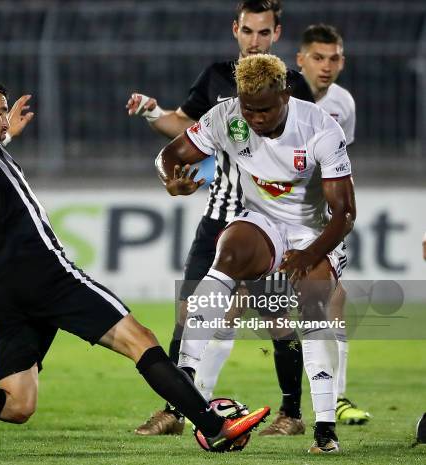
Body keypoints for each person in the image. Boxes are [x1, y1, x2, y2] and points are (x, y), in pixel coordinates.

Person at [0, 6, 270, 452]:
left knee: (17, 404)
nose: (6, 117)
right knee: (138, 339)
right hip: (42, 269)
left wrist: (5, 137)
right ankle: (213, 426)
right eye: (0, 110)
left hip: (3, 283)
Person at [127, 0, 312, 437]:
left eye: (264, 33)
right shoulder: (215, 78)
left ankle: (292, 414)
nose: (255, 41)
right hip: (217, 216)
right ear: (236, 29)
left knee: (277, 321)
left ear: (277, 35)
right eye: (248, 31)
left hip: (269, 223)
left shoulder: (294, 88)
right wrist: (159, 129)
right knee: (190, 310)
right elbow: (186, 130)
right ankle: (174, 409)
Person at [156, 53, 355, 453]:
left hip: (315, 231)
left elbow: (345, 213)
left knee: (313, 304)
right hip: (263, 221)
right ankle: (186, 377)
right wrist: (171, 181)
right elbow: (169, 156)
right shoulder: (226, 116)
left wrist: (308, 255)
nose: (256, 118)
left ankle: (325, 427)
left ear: (284, 95)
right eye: (249, 109)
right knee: (227, 254)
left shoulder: (320, 128)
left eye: (265, 109)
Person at [297, 23, 370, 425]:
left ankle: (336, 398)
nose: (327, 67)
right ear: (301, 59)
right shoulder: (283, 95)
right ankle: (196, 395)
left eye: (334, 58)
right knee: (240, 301)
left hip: (321, 218)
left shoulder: (344, 103)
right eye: (318, 57)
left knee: (333, 298)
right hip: (279, 212)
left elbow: (341, 161)